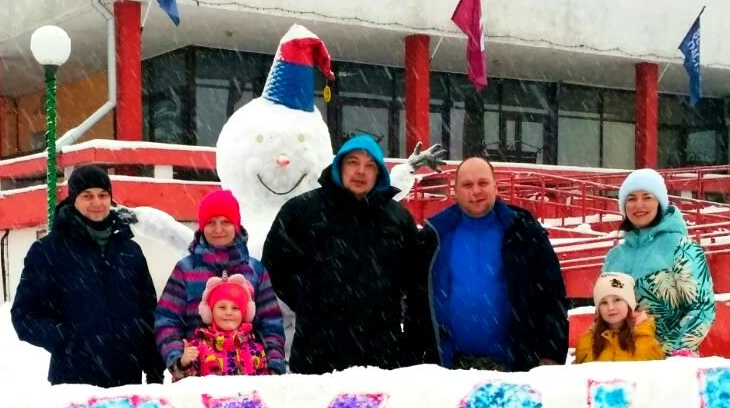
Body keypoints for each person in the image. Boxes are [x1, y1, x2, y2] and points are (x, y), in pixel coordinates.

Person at [261, 133, 434, 374]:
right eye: (353, 162)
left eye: (370, 165)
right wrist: (309, 301)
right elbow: (274, 266)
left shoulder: (398, 219)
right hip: (317, 351)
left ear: (379, 174)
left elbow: (416, 281)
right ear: (339, 165)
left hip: (382, 352)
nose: (361, 171)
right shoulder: (301, 211)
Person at [11, 164, 165, 387]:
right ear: (73, 199)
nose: (97, 203)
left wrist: (154, 368)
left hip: (127, 381)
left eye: (103, 195)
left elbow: (148, 313)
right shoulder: (49, 250)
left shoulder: (130, 251)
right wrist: (67, 340)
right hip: (73, 384)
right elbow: (24, 315)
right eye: (87, 196)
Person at [421, 154, 569, 372]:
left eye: (483, 183)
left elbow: (551, 294)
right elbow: (417, 302)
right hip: (449, 369)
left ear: (496, 187)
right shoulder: (434, 235)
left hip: (516, 366)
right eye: (467, 185)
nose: (476, 191)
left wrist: (551, 351)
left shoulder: (523, 230)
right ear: (455, 191)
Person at [154, 189, 285, 376]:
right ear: (202, 227)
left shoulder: (255, 270)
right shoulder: (185, 270)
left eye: (225, 222)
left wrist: (273, 365)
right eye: (211, 222)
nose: (218, 229)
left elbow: (270, 321)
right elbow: (167, 320)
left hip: (249, 376)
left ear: (236, 226)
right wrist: (179, 359)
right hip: (198, 377)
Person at [603, 168, 714, 356]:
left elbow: (702, 309)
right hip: (622, 364)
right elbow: (603, 315)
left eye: (647, 197)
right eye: (631, 199)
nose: (639, 205)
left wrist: (665, 355)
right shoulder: (614, 257)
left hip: (669, 365)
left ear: (660, 203)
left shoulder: (682, 247)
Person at [173, 275, 272, 378]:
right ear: (210, 312)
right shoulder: (198, 347)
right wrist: (183, 365)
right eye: (222, 307)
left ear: (244, 313)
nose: (228, 312)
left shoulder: (256, 350)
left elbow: (266, 385)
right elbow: (182, 386)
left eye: (235, 308)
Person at [572, 272, 666, 363]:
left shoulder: (647, 339)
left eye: (617, 300)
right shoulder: (586, 342)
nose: (610, 307)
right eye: (604, 302)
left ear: (629, 303)